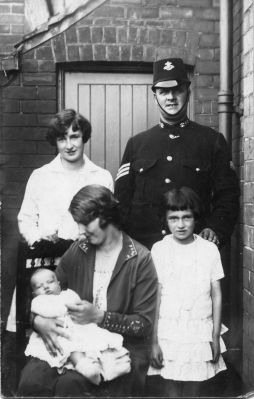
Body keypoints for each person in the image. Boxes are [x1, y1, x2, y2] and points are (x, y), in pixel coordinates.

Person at [17, 184, 158, 397]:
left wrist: (100, 317)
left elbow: (144, 325)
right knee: (31, 381)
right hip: (71, 341)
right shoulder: (79, 250)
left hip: (116, 350)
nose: (80, 231)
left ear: (107, 216)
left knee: (70, 386)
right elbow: (46, 295)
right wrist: (38, 321)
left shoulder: (140, 259)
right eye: (78, 224)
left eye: (85, 223)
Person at [114, 58, 239, 250]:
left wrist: (215, 229)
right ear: (155, 96)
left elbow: (228, 196)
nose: (170, 97)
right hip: (145, 252)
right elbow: (121, 201)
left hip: (194, 250)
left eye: (177, 90)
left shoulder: (212, 141)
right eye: (163, 92)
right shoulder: (137, 144)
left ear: (188, 92)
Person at [7, 108, 113, 333]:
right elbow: (26, 218)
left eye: (74, 136)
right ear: (55, 142)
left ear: (84, 137)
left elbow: (108, 221)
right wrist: (39, 238)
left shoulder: (101, 176)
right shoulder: (41, 175)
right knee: (40, 325)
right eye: (62, 138)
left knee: (80, 327)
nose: (69, 145)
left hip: (86, 260)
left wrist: (89, 235)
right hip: (45, 264)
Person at [148, 187, 228, 397]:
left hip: (199, 332)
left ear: (196, 218)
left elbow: (216, 293)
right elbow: (155, 295)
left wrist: (215, 335)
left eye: (187, 217)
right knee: (171, 388)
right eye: (173, 218)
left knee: (196, 387)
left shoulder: (209, 249)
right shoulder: (159, 249)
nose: (181, 224)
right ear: (165, 220)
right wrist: (154, 340)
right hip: (168, 331)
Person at [25, 268, 131, 385]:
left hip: (78, 327)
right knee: (72, 349)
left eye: (50, 282)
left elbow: (77, 302)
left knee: (97, 343)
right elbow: (50, 311)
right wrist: (40, 319)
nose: (46, 287)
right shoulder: (39, 301)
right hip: (60, 333)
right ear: (34, 294)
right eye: (39, 286)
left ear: (59, 285)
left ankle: (113, 365)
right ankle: (86, 368)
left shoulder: (67, 294)